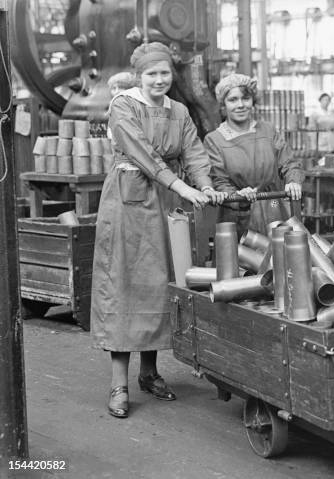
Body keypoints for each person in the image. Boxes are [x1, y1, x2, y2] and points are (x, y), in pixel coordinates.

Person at [91, 42, 226, 419]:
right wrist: (182, 187)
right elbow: (143, 155)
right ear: (139, 77)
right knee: (124, 285)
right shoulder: (123, 105)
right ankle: (119, 382)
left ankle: (149, 373)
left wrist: (205, 184)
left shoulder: (178, 110)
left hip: (165, 203)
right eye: (151, 74)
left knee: (160, 283)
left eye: (164, 73)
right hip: (128, 203)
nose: (159, 80)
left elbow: (194, 152)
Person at [203, 73, 304, 237]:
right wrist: (236, 196)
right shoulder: (214, 140)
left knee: (279, 256)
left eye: (245, 98)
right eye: (233, 100)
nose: (240, 105)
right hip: (236, 216)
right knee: (239, 260)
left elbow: (289, 163)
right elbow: (218, 180)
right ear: (223, 104)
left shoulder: (268, 130)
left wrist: (293, 181)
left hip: (272, 207)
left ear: (253, 101)